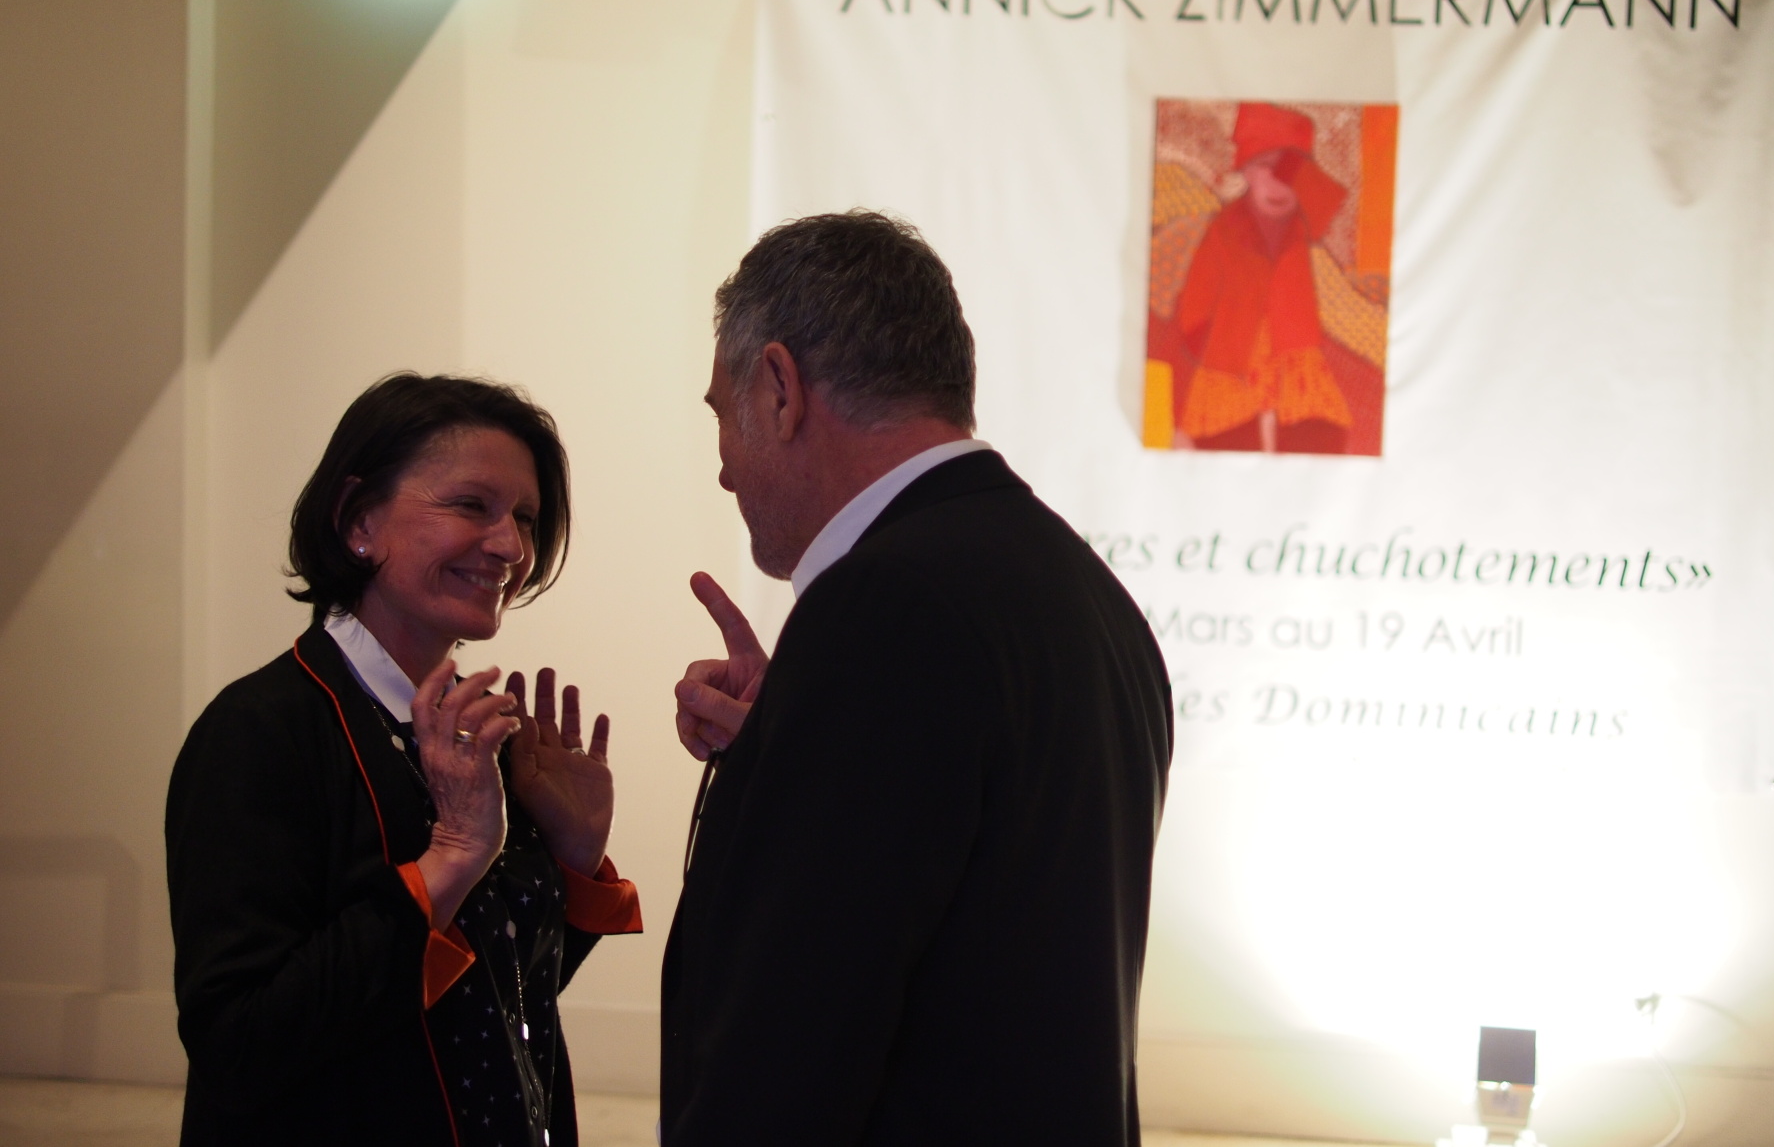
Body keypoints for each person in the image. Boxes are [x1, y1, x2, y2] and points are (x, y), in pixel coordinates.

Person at [663, 211, 1174, 1146]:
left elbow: (796, 1040)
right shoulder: (1085, 591)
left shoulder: (881, 609)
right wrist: (789, 735)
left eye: (720, 414)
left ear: (778, 388)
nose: (725, 470)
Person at [166, 373, 641, 1147]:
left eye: (524, 518)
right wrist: (448, 858)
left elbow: (501, 999)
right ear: (358, 519)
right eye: (471, 505)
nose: (510, 546)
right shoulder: (258, 731)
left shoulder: (480, 732)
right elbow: (239, 1044)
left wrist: (574, 854)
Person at [1160, 101, 1354, 453]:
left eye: (1290, 170)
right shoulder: (1225, 229)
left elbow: (1327, 203)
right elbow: (1195, 305)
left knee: (1321, 439)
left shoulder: (1300, 223)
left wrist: (1292, 168)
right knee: (1227, 442)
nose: (1278, 184)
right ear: (1246, 172)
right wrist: (1217, 345)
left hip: (1294, 364)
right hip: (1233, 368)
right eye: (1265, 167)